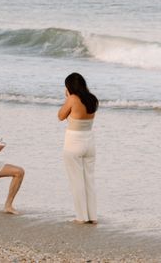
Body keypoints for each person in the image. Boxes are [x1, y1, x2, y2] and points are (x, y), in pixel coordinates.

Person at [58, 73, 99, 224]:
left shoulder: (72, 99)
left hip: (74, 142)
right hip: (89, 142)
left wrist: (67, 97)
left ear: (69, 87)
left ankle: (81, 217)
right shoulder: (92, 99)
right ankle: (92, 217)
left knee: (76, 181)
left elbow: (61, 116)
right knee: (89, 180)